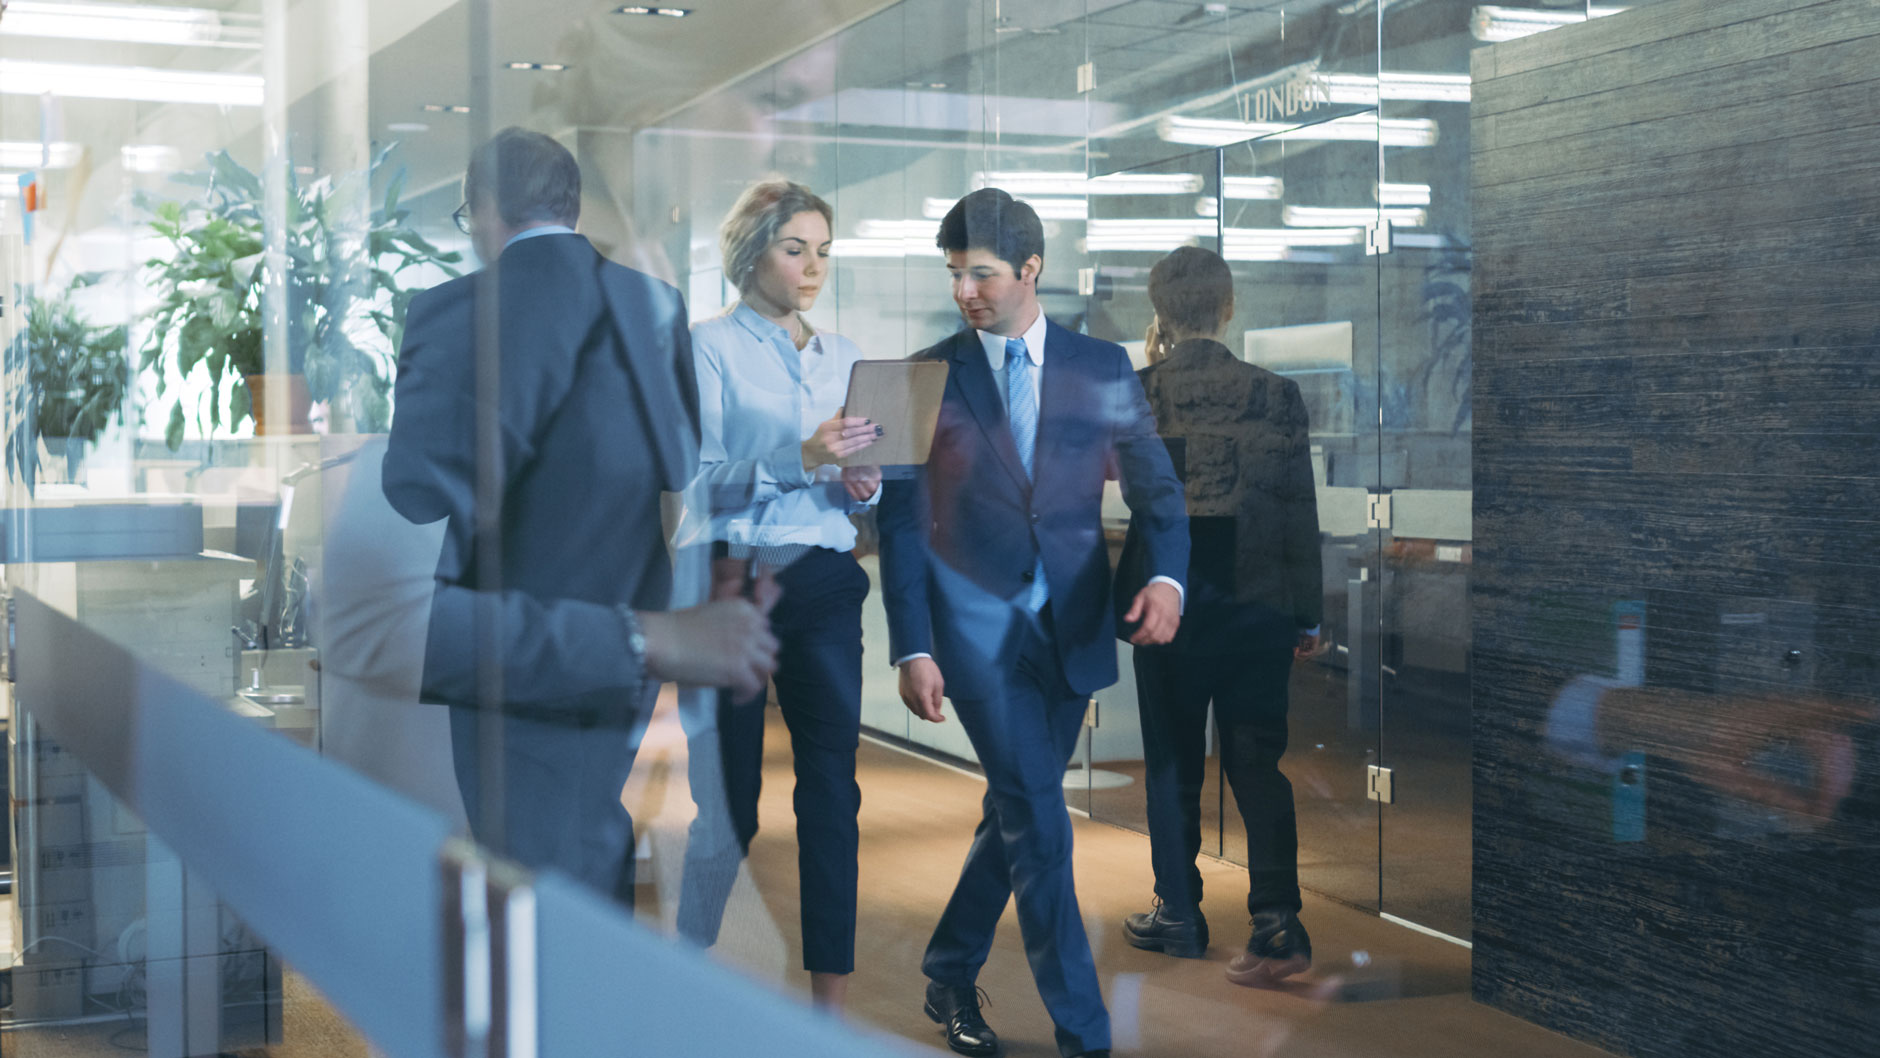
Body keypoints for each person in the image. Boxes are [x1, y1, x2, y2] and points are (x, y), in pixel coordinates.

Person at [382, 127, 780, 904]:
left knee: (520, 855)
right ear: (568, 206)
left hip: (509, 632)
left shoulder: (446, 310)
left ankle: (566, 1009)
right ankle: (598, 1000)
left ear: (486, 208)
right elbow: (676, 465)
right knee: (586, 824)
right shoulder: (654, 304)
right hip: (629, 623)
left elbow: (415, 493)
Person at [877, 188, 1189, 1058]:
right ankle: (1084, 1033)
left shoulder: (1102, 367)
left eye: (979, 272)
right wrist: (912, 643)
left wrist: (1166, 579)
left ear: (1030, 270)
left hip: (1074, 629)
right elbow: (899, 525)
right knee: (1042, 825)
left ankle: (946, 966)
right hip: (973, 640)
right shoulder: (918, 375)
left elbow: (1157, 490)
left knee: (1016, 810)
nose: (964, 290)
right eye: (953, 274)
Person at [674, 179, 881, 1010]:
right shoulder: (706, 346)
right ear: (751, 252)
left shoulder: (844, 355)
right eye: (796, 248)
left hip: (826, 581)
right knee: (729, 805)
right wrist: (802, 455)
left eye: (824, 250)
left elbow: (859, 487)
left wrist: (864, 482)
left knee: (833, 792)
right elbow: (697, 488)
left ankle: (828, 999)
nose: (812, 267)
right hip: (733, 581)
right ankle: (685, 970)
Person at [1116, 246, 1323, 987]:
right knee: (1256, 761)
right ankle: (1277, 919)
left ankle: (1178, 911)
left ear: (1160, 311)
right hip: (1260, 601)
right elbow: (1300, 507)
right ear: (1228, 306)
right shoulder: (1277, 394)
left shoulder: (1139, 391)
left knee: (1172, 760)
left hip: (1170, 601)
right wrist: (1307, 613)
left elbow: (1138, 502)